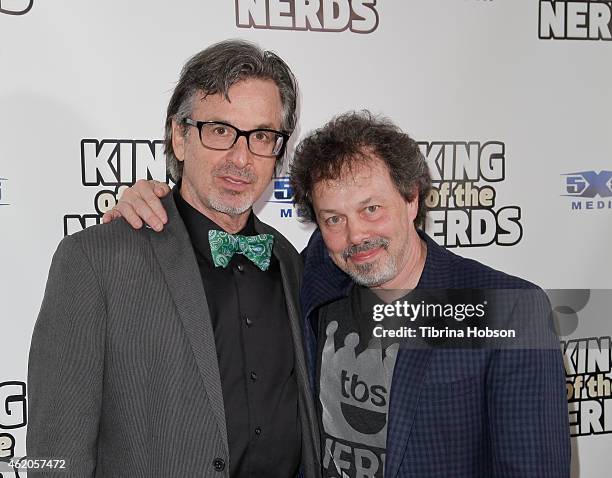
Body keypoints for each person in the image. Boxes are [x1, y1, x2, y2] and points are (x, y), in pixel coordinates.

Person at [109, 111, 571, 477]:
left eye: (372, 208)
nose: (356, 236)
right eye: (334, 218)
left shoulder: (505, 310)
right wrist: (150, 202)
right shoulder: (315, 274)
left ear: (412, 198)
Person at [28, 40, 320, 478]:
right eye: (220, 130)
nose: (241, 158)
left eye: (261, 136)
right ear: (179, 137)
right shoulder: (95, 261)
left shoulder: (289, 261)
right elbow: (55, 455)